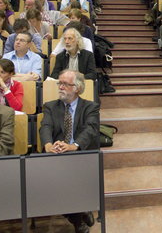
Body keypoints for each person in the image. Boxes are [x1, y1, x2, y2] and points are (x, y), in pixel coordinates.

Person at [40, 70, 100, 233]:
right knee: (48, 181)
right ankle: (78, 216)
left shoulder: (90, 107)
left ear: (77, 88)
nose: (60, 87)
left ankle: (77, 219)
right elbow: (46, 126)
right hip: (56, 154)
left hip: (81, 156)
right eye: (59, 83)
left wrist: (74, 146)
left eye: (65, 84)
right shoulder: (50, 106)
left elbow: (91, 129)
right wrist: (48, 144)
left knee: (70, 178)